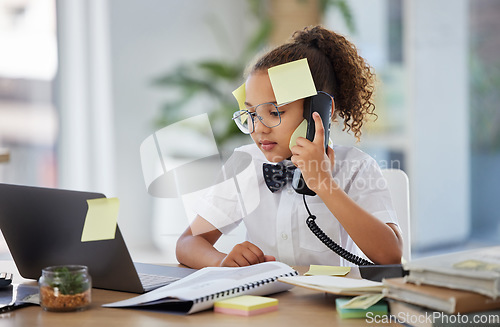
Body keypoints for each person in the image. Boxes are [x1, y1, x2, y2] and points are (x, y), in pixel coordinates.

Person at [176, 25, 403, 268]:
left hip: (327, 304)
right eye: (251, 113)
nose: (259, 128)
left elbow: (390, 255)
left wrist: (323, 184)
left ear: (320, 111)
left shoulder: (357, 167)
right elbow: (187, 243)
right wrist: (222, 261)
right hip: (267, 301)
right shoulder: (245, 164)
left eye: (274, 112)